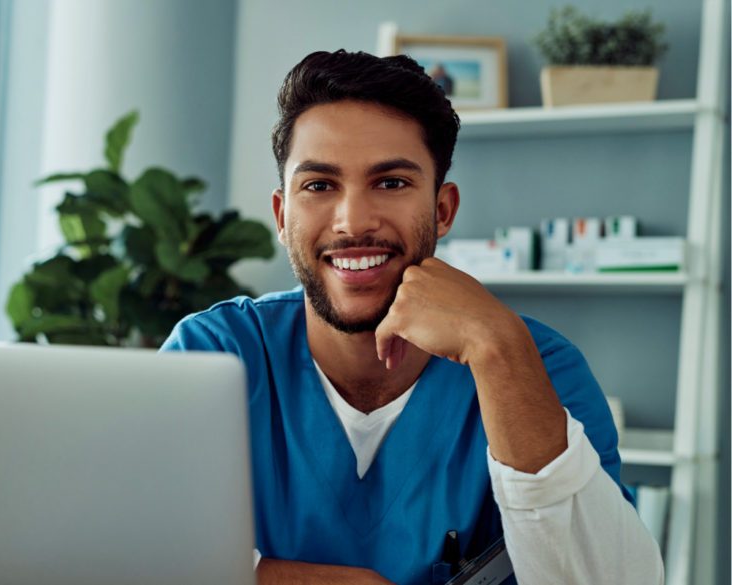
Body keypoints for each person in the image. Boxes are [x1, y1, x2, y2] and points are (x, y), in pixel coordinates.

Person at [160, 50, 663, 584]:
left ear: (442, 210)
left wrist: (496, 349)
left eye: (392, 182)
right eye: (320, 185)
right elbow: (126, 552)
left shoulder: (539, 366)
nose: (353, 221)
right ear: (283, 218)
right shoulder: (216, 355)